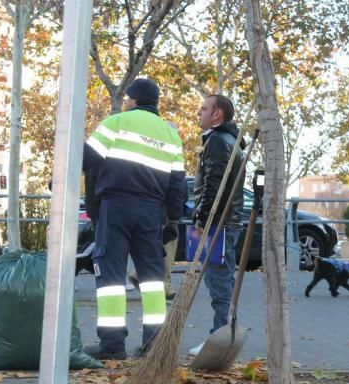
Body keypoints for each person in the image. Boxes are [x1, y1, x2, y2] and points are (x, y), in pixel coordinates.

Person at [82, 78, 186, 360]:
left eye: (128, 98)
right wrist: (173, 222)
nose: (126, 102)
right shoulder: (170, 134)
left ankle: (112, 346)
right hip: (151, 212)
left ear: (134, 100)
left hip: (116, 207)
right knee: (152, 279)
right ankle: (155, 346)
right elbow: (178, 184)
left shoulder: (117, 122)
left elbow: (87, 159)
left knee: (112, 276)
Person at [189, 94, 245, 356]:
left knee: (219, 281)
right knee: (220, 280)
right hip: (225, 221)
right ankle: (222, 334)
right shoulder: (228, 140)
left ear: (217, 114)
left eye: (204, 109)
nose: (199, 113)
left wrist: (202, 219)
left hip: (219, 223)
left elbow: (214, 184)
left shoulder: (218, 142)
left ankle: (219, 339)